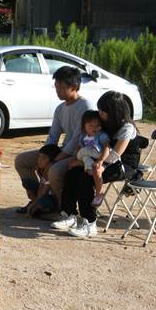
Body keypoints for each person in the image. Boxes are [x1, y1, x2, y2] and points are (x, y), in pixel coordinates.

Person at [54, 91, 141, 238]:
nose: (100, 113)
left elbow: (114, 156)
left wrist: (90, 164)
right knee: (72, 173)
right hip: (100, 159)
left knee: (85, 178)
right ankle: (70, 214)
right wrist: (81, 161)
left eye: (103, 111)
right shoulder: (105, 124)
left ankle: (90, 222)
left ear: (113, 112)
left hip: (122, 164)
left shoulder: (127, 128)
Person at [14, 66, 94, 213]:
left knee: (54, 171)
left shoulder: (85, 107)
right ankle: (37, 200)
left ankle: (61, 208)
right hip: (59, 152)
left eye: (62, 87)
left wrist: (53, 161)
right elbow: (53, 136)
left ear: (74, 87)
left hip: (76, 153)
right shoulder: (60, 108)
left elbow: (77, 139)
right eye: (56, 86)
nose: (58, 90)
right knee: (22, 160)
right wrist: (44, 156)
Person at [73, 110, 118, 207]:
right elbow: (79, 147)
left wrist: (100, 160)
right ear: (84, 126)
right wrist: (76, 157)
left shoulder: (101, 135)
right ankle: (88, 168)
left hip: (99, 154)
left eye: (97, 126)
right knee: (84, 156)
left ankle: (99, 193)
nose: (94, 128)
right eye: (90, 125)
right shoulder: (83, 136)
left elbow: (107, 148)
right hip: (89, 156)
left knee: (85, 155)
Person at [22, 144, 63, 218]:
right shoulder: (42, 170)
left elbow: (44, 191)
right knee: (27, 182)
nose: (39, 160)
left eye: (43, 158)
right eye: (39, 157)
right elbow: (41, 186)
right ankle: (36, 207)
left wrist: (35, 204)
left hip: (53, 198)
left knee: (43, 202)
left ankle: (51, 212)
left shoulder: (51, 171)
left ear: (51, 161)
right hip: (45, 194)